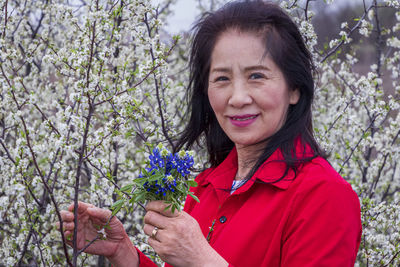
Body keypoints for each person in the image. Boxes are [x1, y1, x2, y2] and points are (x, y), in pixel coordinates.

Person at [60, 1, 362, 266]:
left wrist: (201, 260)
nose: (237, 97)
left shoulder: (323, 197)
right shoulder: (206, 188)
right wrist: (124, 254)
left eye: (256, 76)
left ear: (294, 88)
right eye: (221, 78)